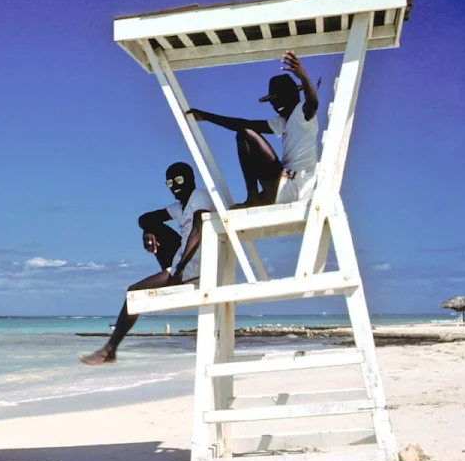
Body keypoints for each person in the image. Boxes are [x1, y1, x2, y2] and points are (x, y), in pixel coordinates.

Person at [80, 162, 212, 365]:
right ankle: (110, 350)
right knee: (153, 227)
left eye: (179, 180)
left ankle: (110, 350)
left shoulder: (199, 196)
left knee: (133, 291)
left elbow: (198, 231)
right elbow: (145, 218)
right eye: (170, 182)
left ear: (191, 178)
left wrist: (180, 270)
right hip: (181, 266)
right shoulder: (180, 207)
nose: (174, 186)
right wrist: (148, 230)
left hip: (192, 269)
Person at [187, 50, 320, 208]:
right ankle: (256, 198)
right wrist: (206, 116)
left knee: (245, 134)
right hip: (283, 185)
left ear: (291, 95)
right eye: (272, 100)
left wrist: (303, 75)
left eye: (277, 98)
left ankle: (252, 198)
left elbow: (313, 104)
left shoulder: (301, 113)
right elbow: (242, 123)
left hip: (294, 186)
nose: (274, 105)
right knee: (244, 130)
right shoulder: (282, 122)